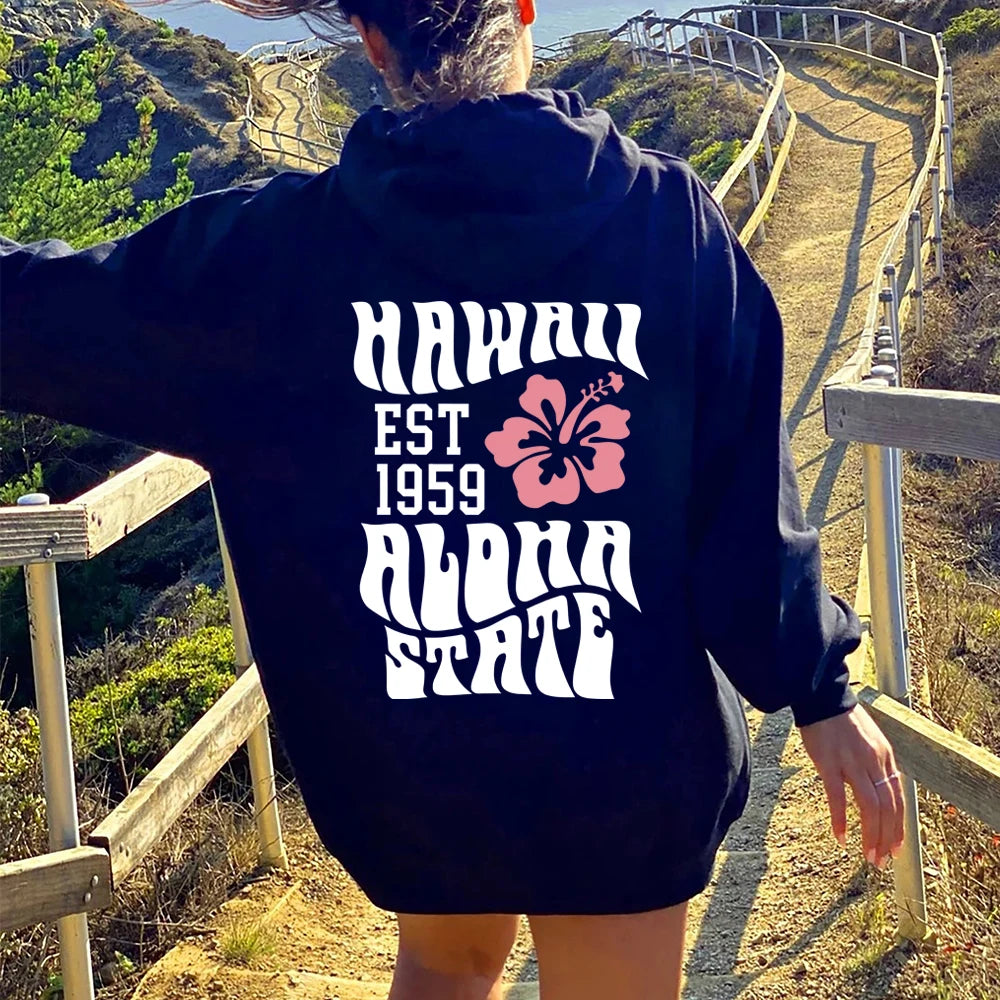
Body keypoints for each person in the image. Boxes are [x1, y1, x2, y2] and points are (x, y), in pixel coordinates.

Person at [1, 1, 906, 997]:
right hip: (622, 762)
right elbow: (739, 499)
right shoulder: (664, 221)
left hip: (418, 760)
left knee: (445, 963)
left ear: (372, 43)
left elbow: (49, 314)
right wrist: (817, 689)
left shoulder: (273, 257)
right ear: (522, 11)